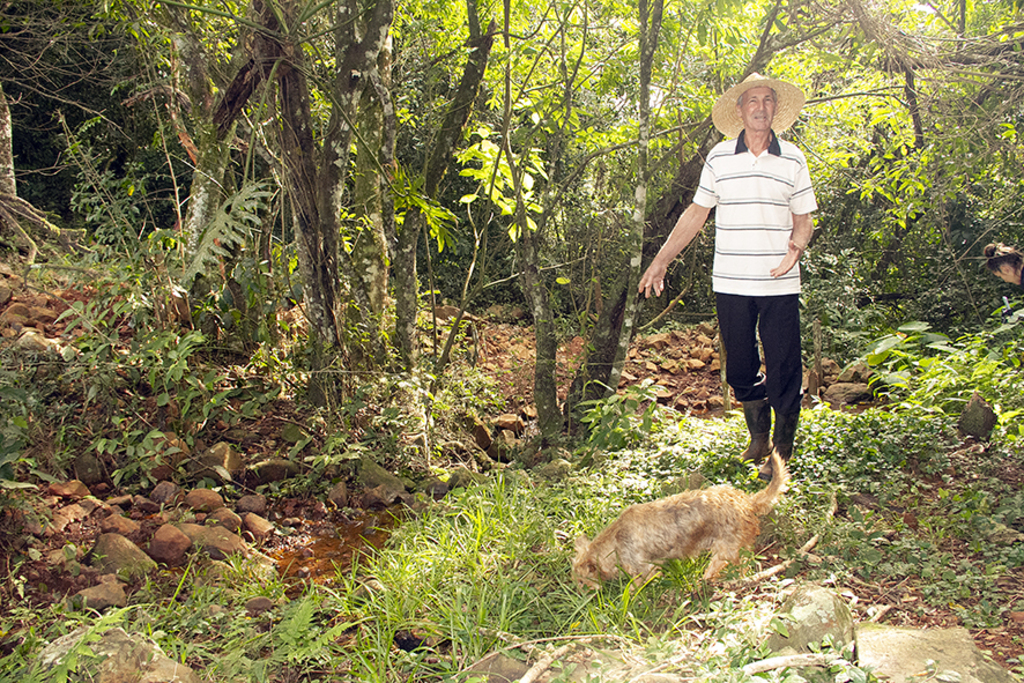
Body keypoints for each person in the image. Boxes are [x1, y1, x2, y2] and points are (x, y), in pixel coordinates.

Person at [638, 73, 817, 480]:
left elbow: (803, 220)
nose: (760, 107)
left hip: (779, 281)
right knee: (739, 366)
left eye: (767, 100)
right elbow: (696, 214)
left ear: (775, 109)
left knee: (785, 366)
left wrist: (796, 249)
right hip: (731, 281)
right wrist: (662, 259)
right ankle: (757, 436)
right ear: (740, 110)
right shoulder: (719, 157)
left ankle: (780, 454)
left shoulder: (793, 158)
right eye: (752, 100)